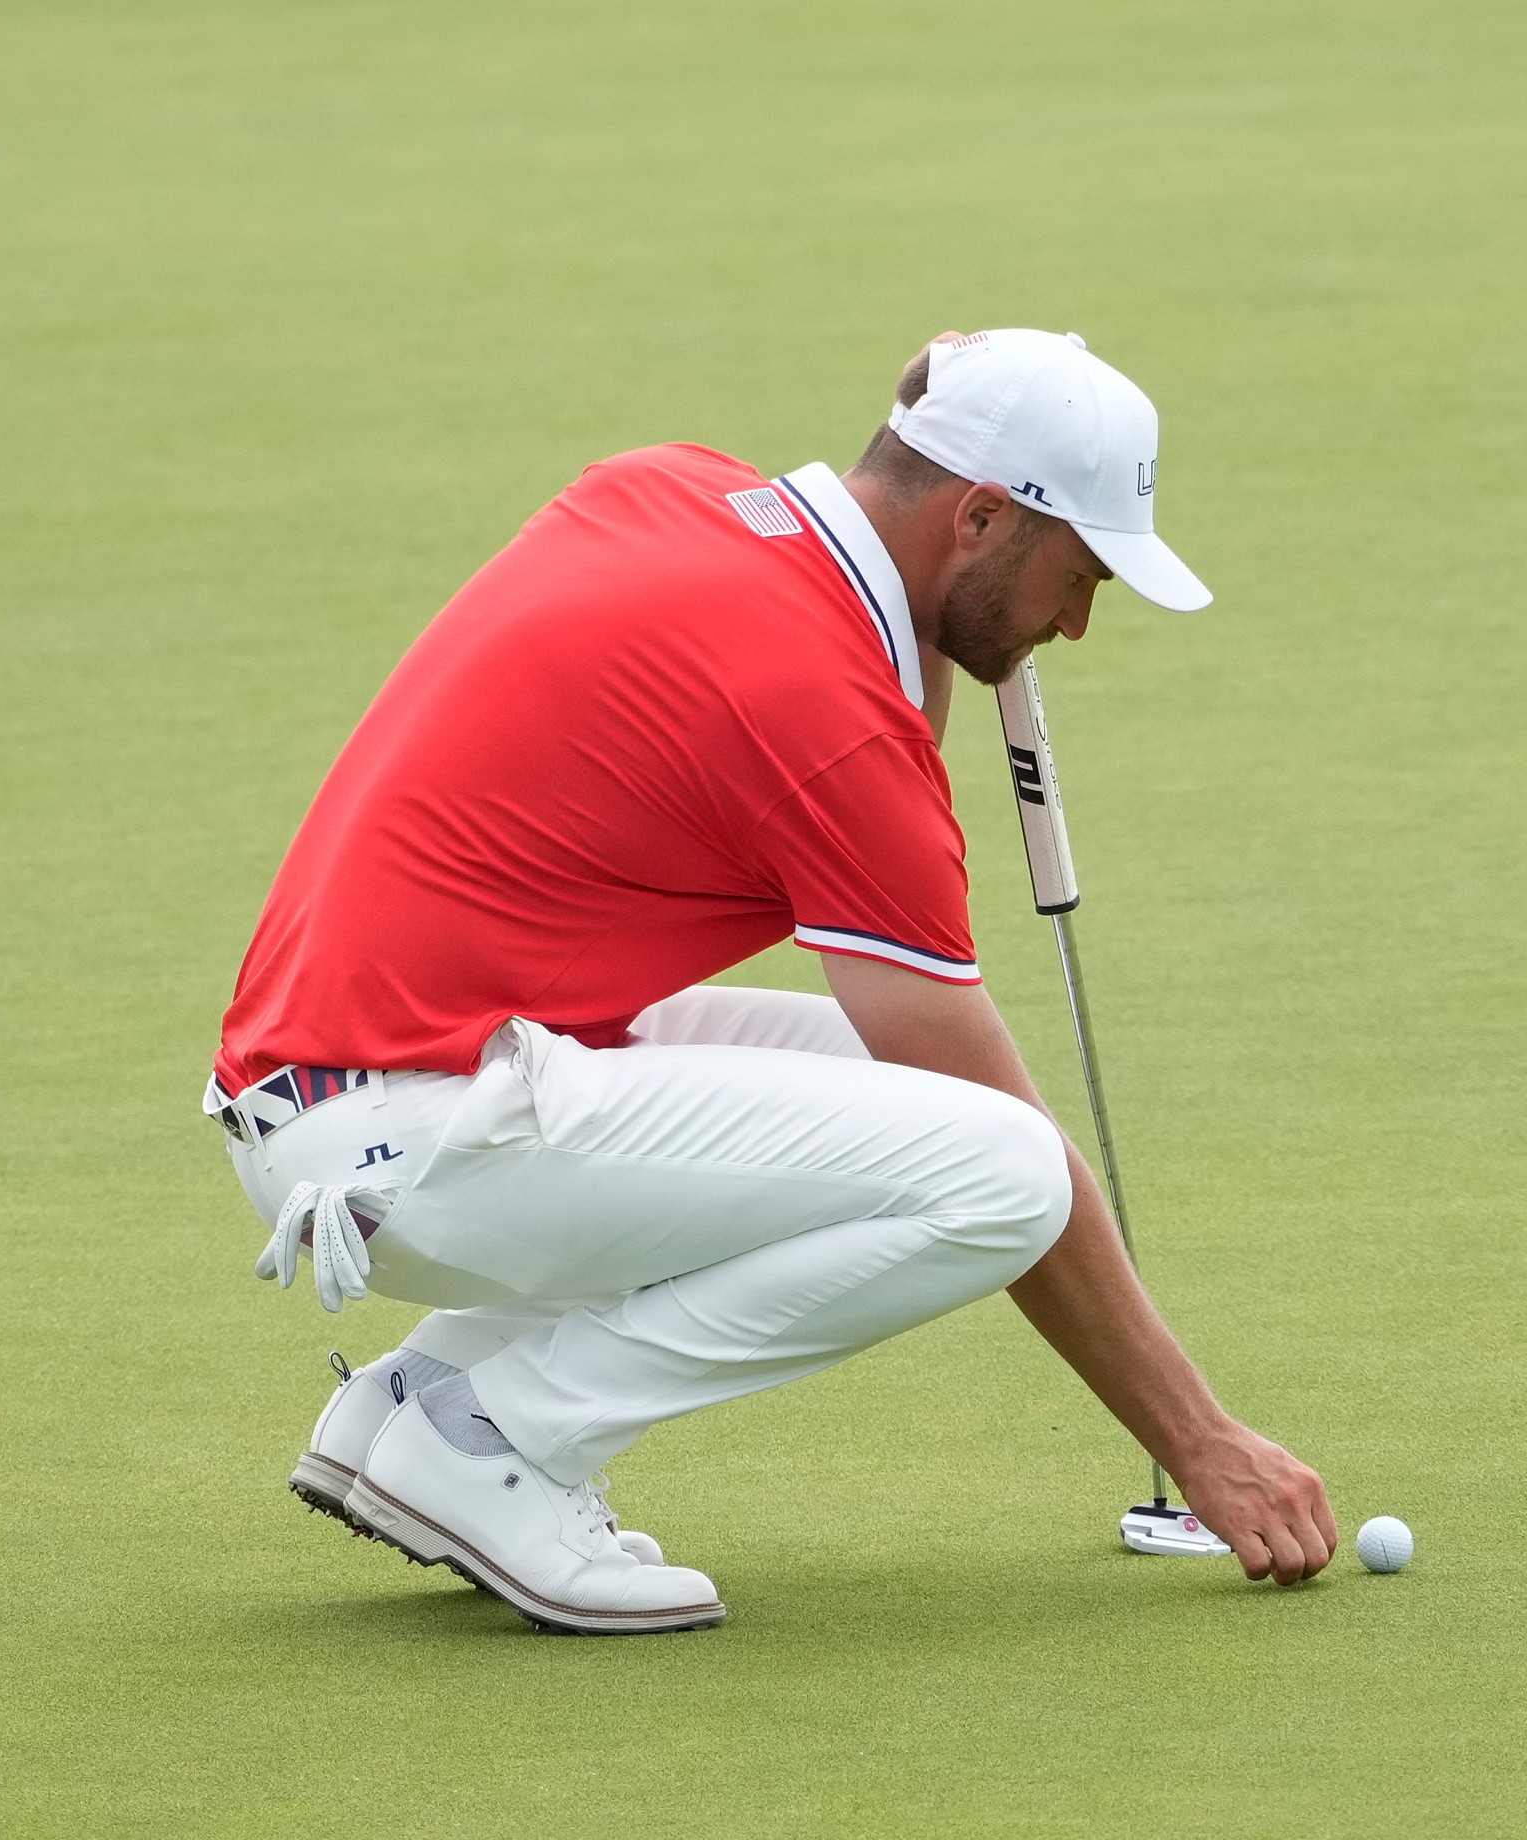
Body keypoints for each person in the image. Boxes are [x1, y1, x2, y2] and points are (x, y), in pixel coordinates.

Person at [205, 328, 1337, 1632]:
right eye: (1077, 575)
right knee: (1006, 1169)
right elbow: (985, 1114)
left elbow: (890, 685)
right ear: (978, 515)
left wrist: (951, 548)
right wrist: (1202, 1441)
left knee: (881, 1089)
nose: (1076, 623)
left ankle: (414, 1402)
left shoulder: (674, 486)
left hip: (363, 1093)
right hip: (404, 1142)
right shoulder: (826, 708)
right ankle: (502, 1435)